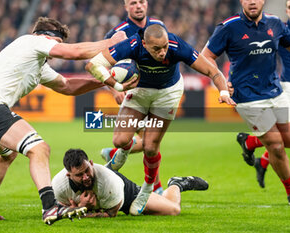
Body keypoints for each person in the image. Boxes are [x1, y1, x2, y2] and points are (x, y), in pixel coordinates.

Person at [0, 17, 132, 225]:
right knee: (39, 149)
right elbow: (75, 53)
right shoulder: (32, 42)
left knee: (8, 153)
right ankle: (50, 208)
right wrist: (111, 44)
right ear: (44, 37)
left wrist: (102, 80)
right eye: (55, 44)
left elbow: (67, 86)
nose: (54, 51)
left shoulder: (38, 64)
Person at [86, 24, 235, 215]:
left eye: (164, 46)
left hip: (167, 94)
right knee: (120, 140)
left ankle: (147, 189)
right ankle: (121, 153)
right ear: (144, 43)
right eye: (157, 49)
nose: (163, 52)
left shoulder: (176, 46)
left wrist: (222, 91)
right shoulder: (131, 45)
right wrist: (117, 86)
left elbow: (212, 71)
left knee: (150, 147)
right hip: (139, 92)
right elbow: (91, 64)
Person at [201, 0, 290, 205]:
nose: (252, 1)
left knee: (289, 140)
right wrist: (222, 84)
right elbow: (205, 56)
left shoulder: (276, 24)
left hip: (276, 91)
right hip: (247, 96)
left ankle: (249, 141)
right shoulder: (229, 27)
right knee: (276, 145)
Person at [101, 0, 166, 195]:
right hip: (133, 96)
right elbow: (101, 64)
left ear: (147, 4)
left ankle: (114, 154)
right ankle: (156, 187)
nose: (138, 6)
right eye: (133, 2)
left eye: (142, 2)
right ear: (125, 7)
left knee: (149, 141)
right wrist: (115, 89)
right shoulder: (117, 33)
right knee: (149, 141)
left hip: (156, 92)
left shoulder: (158, 26)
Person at [235, 0, 290, 190]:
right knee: (282, 139)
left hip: (275, 89)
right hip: (286, 87)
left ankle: (252, 143)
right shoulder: (280, 27)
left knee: (282, 139)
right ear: (286, 11)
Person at [52, 149, 208, 217]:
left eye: (87, 170)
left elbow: (111, 213)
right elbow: (58, 209)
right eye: (79, 175)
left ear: (91, 163)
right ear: (68, 175)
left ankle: (177, 184)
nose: (86, 177)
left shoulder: (109, 181)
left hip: (125, 194)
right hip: (103, 196)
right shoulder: (59, 186)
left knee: (173, 210)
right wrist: (77, 208)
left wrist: (83, 210)